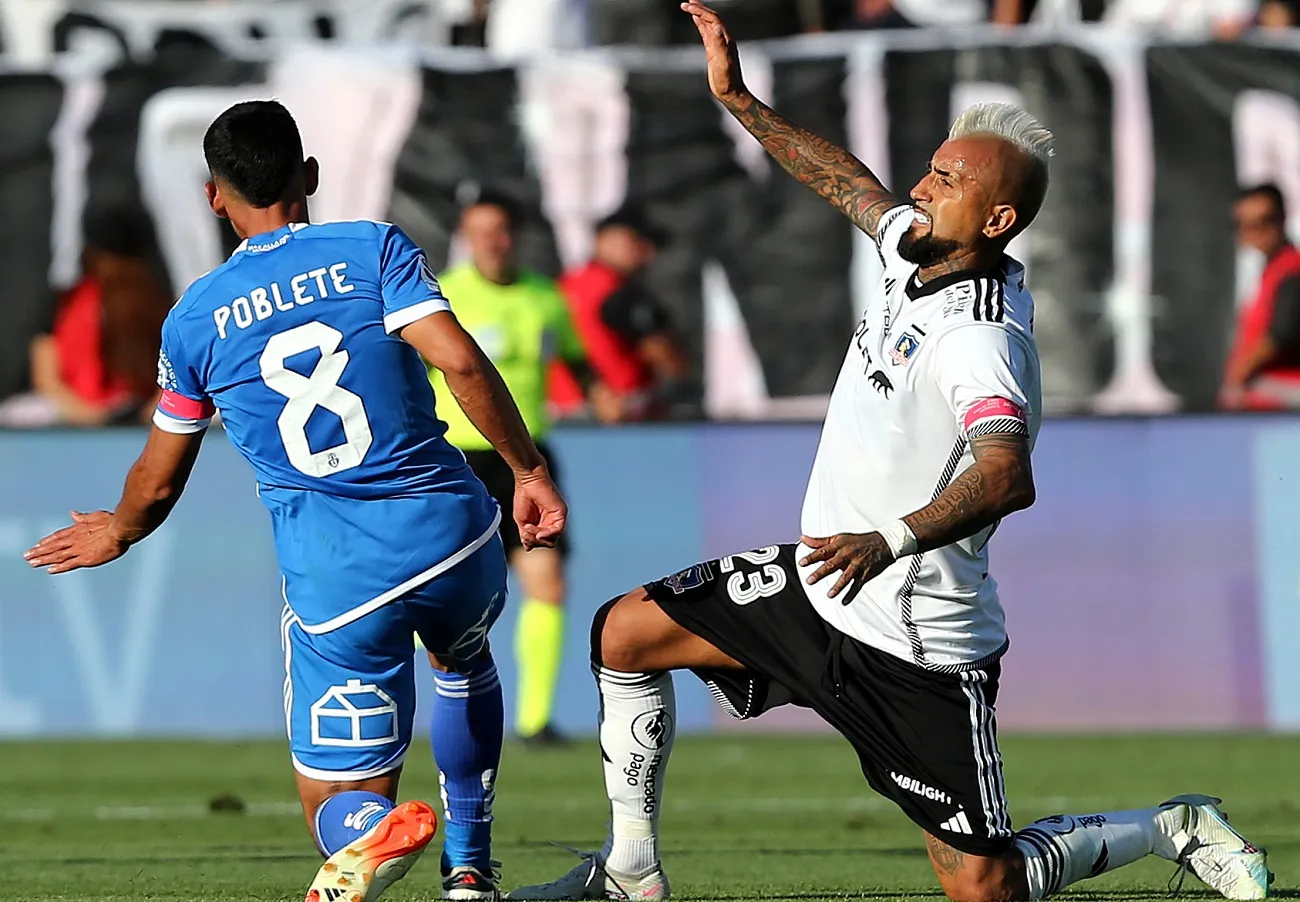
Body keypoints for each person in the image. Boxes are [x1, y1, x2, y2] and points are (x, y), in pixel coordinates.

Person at [507, 6, 1273, 902]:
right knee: (625, 632)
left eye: (945, 179)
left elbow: (1005, 475)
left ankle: (1172, 827)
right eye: (931, 168)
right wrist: (739, 99)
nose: (921, 186)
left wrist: (889, 540)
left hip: (919, 637)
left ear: (997, 218)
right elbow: (845, 181)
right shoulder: (914, 245)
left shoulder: (982, 340)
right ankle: (629, 871)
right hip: (822, 583)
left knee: (984, 887)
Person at [24, 101, 567, 902]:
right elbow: (461, 363)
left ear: (215, 196)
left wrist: (122, 530)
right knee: (464, 661)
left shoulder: (195, 319)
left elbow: (160, 475)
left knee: (335, 800)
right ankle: (469, 866)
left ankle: (372, 828)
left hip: (339, 574)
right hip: (451, 532)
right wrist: (526, 470)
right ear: (308, 175)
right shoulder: (374, 248)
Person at [430, 193, 614, 746]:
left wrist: (600, 392)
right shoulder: (443, 296)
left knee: (547, 582)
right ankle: (427, 702)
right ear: (465, 238)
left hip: (528, 461)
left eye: (501, 229)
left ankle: (535, 721)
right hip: (460, 459)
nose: (493, 241)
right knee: (439, 595)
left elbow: (574, 360)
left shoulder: (545, 298)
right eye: (480, 231)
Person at [6, 206, 170, 428]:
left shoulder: (155, 304)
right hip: (77, 408)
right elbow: (46, 379)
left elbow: (176, 374)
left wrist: (148, 412)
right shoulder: (67, 303)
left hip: (136, 410)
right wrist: (95, 416)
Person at [550, 208, 691, 422]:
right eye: (637, 242)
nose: (647, 253)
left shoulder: (559, 287)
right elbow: (661, 353)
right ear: (604, 240)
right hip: (621, 410)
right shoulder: (620, 292)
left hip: (561, 411)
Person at [1220, 183, 1300, 410]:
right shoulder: (1269, 270)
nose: (1254, 233)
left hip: (1283, 391)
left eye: (1264, 222)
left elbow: (1281, 333)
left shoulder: (1292, 269)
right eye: (1244, 225)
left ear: (1281, 219)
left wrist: (1238, 374)